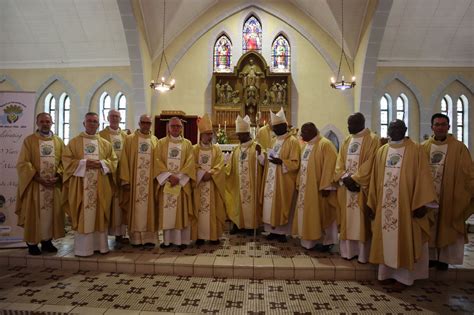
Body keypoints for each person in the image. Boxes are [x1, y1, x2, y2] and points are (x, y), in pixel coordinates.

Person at [368, 119, 437, 286]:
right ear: (388, 131)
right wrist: (372, 202)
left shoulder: (416, 150)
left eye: (399, 127)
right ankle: (386, 274)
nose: (395, 130)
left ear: (405, 129)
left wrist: (422, 203)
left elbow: (424, 177)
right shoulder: (382, 151)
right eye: (392, 127)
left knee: (405, 239)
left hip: (407, 206)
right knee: (386, 239)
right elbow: (375, 179)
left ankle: (404, 278)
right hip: (385, 205)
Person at [422, 113, 474, 270]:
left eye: (443, 124)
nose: (440, 127)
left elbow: (468, 173)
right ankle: (431, 258)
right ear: (432, 127)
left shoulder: (459, 148)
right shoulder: (424, 147)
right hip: (429, 195)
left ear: (449, 127)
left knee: (447, 223)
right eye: (437, 124)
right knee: (430, 225)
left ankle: (444, 259)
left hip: (450, 194)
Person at [62, 112, 117, 257]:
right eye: (90, 121)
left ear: (99, 125)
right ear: (84, 123)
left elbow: (114, 161)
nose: (92, 124)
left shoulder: (105, 144)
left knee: (100, 212)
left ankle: (101, 247)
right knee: (83, 213)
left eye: (95, 121)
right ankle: (83, 249)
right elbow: (66, 161)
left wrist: (101, 163)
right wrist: (84, 163)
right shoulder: (74, 142)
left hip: (101, 186)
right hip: (81, 186)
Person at [16, 112, 65, 255]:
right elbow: (23, 163)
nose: (45, 124)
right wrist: (37, 177)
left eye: (48, 121)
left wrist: (59, 175)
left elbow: (64, 161)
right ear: (37, 123)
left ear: (52, 123)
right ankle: (32, 243)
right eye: (42, 121)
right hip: (35, 185)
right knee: (34, 214)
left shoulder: (58, 141)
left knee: (51, 214)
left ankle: (47, 241)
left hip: (53, 185)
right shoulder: (29, 141)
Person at [335, 113, 380, 263]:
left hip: (361, 188)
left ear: (361, 122)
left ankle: (362, 255)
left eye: (351, 124)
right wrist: (343, 177)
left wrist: (354, 179)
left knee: (361, 221)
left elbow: (371, 163)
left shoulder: (373, 140)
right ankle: (348, 252)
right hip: (347, 187)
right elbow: (339, 161)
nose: (349, 127)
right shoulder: (347, 140)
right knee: (347, 220)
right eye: (348, 124)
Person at [292, 122, 338, 251]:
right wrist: (299, 182)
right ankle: (309, 241)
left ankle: (326, 242)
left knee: (323, 214)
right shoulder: (306, 146)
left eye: (303, 132)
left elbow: (330, 166)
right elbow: (302, 167)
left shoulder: (325, 145)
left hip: (320, 189)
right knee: (309, 214)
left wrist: (327, 187)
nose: (301, 135)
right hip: (306, 189)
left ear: (312, 131)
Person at [155, 117, 196, 249]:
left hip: (180, 184)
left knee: (181, 212)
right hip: (167, 183)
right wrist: (168, 176)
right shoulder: (161, 143)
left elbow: (190, 162)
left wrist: (179, 177)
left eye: (178, 126)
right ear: (168, 127)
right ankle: (167, 241)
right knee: (167, 212)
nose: (176, 128)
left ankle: (182, 241)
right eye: (173, 126)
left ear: (182, 128)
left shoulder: (188, 144)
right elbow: (157, 161)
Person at [261, 107, 300, 242]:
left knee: (282, 204)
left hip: (284, 180)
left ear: (284, 125)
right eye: (274, 127)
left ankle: (282, 232)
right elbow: (270, 156)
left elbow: (295, 163)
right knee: (270, 204)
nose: (274, 130)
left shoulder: (293, 141)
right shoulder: (273, 140)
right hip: (271, 179)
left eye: (277, 127)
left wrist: (281, 162)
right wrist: (263, 157)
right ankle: (272, 231)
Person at [120, 115, 159, 248]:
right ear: (139, 123)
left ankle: (149, 238)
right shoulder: (130, 139)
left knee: (149, 210)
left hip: (150, 183)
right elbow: (124, 160)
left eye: (148, 123)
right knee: (136, 210)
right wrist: (125, 180)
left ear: (151, 124)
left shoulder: (154, 140)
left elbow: (158, 161)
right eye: (143, 122)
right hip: (134, 183)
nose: (146, 125)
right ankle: (136, 239)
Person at [225, 115, 263, 235]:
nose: (239, 137)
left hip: (252, 184)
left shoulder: (256, 147)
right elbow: (229, 168)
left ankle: (251, 226)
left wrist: (260, 154)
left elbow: (263, 163)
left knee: (251, 203)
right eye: (238, 134)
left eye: (241, 135)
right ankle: (238, 224)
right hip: (238, 183)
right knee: (237, 203)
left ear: (247, 134)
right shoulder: (236, 150)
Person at [192, 114, 226, 245]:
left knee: (214, 209)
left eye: (211, 134)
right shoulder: (194, 149)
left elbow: (220, 164)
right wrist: (201, 173)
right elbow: (191, 164)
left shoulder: (216, 149)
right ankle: (199, 236)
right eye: (207, 134)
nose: (210, 136)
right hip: (200, 185)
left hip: (213, 184)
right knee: (199, 209)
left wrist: (210, 173)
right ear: (201, 135)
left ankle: (214, 236)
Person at [98, 109, 128, 245]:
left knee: (120, 204)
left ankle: (120, 234)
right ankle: (104, 233)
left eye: (117, 116)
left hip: (122, 174)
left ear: (120, 118)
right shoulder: (101, 136)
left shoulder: (126, 136)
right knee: (108, 203)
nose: (115, 119)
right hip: (107, 175)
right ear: (107, 118)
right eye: (112, 116)